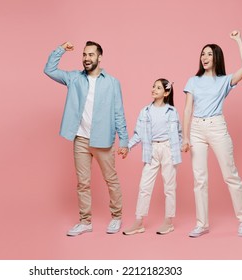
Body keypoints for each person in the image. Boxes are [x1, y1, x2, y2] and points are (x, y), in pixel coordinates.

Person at [44, 41, 129, 236]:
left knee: (111, 179)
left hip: (103, 139)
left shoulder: (112, 82)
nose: (86, 58)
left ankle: (116, 217)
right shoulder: (74, 78)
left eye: (91, 55)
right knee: (83, 182)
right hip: (80, 139)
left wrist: (123, 141)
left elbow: (119, 113)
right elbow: (49, 70)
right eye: (84, 55)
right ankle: (85, 221)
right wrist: (61, 49)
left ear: (99, 57)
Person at [182, 30, 242, 237]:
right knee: (199, 178)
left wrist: (238, 39)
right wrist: (185, 136)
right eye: (203, 54)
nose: (205, 57)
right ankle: (202, 224)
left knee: (230, 174)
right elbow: (187, 109)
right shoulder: (192, 81)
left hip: (216, 126)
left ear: (217, 57)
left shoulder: (224, 81)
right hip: (196, 129)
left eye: (209, 54)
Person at [122, 79, 182, 235]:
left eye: (158, 87)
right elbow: (138, 134)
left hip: (169, 149)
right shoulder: (145, 111)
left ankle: (169, 222)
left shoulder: (172, 111)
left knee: (170, 187)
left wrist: (184, 144)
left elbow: (179, 133)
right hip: (152, 150)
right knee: (144, 186)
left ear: (166, 92)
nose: (154, 89)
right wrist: (127, 146)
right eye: (153, 86)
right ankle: (138, 222)